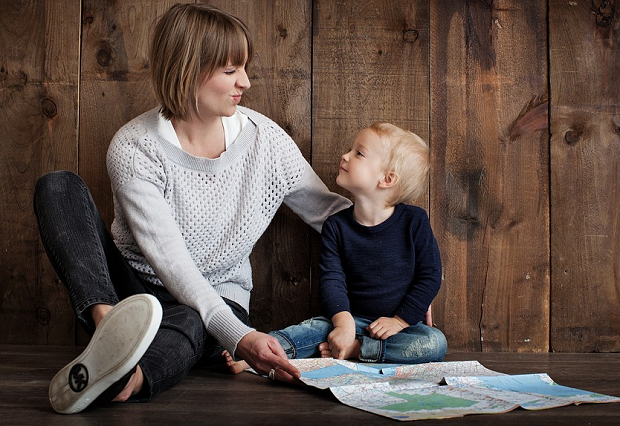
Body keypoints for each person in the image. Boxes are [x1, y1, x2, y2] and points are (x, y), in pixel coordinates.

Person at [33, 3, 350, 414]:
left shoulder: (265, 141)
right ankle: (110, 330)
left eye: (244, 68)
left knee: (189, 319)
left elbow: (331, 214)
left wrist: (402, 262)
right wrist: (240, 339)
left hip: (216, 299)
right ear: (188, 69)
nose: (246, 82)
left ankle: (127, 378)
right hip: (131, 292)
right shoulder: (134, 147)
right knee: (58, 186)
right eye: (231, 70)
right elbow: (170, 261)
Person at [225, 122, 446, 373]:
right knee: (310, 330)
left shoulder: (414, 222)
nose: (345, 155)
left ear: (387, 179)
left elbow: (429, 276)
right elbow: (332, 279)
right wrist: (343, 324)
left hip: (398, 328)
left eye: (358, 153)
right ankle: (257, 354)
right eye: (351, 150)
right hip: (349, 318)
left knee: (434, 343)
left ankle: (358, 350)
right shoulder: (337, 226)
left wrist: (400, 320)